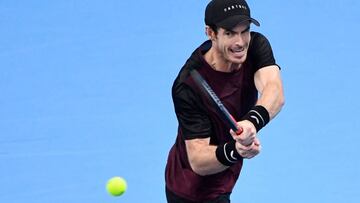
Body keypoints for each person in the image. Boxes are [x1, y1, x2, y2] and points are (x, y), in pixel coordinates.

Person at [165, 0, 285, 202]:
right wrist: (236, 150)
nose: (240, 42)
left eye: (244, 31)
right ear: (210, 33)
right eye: (229, 33)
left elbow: (275, 91)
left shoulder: (255, 46)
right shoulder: (189, 85)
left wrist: (251, 122)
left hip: (225, 179)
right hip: (192, 191)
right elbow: (199, 160)